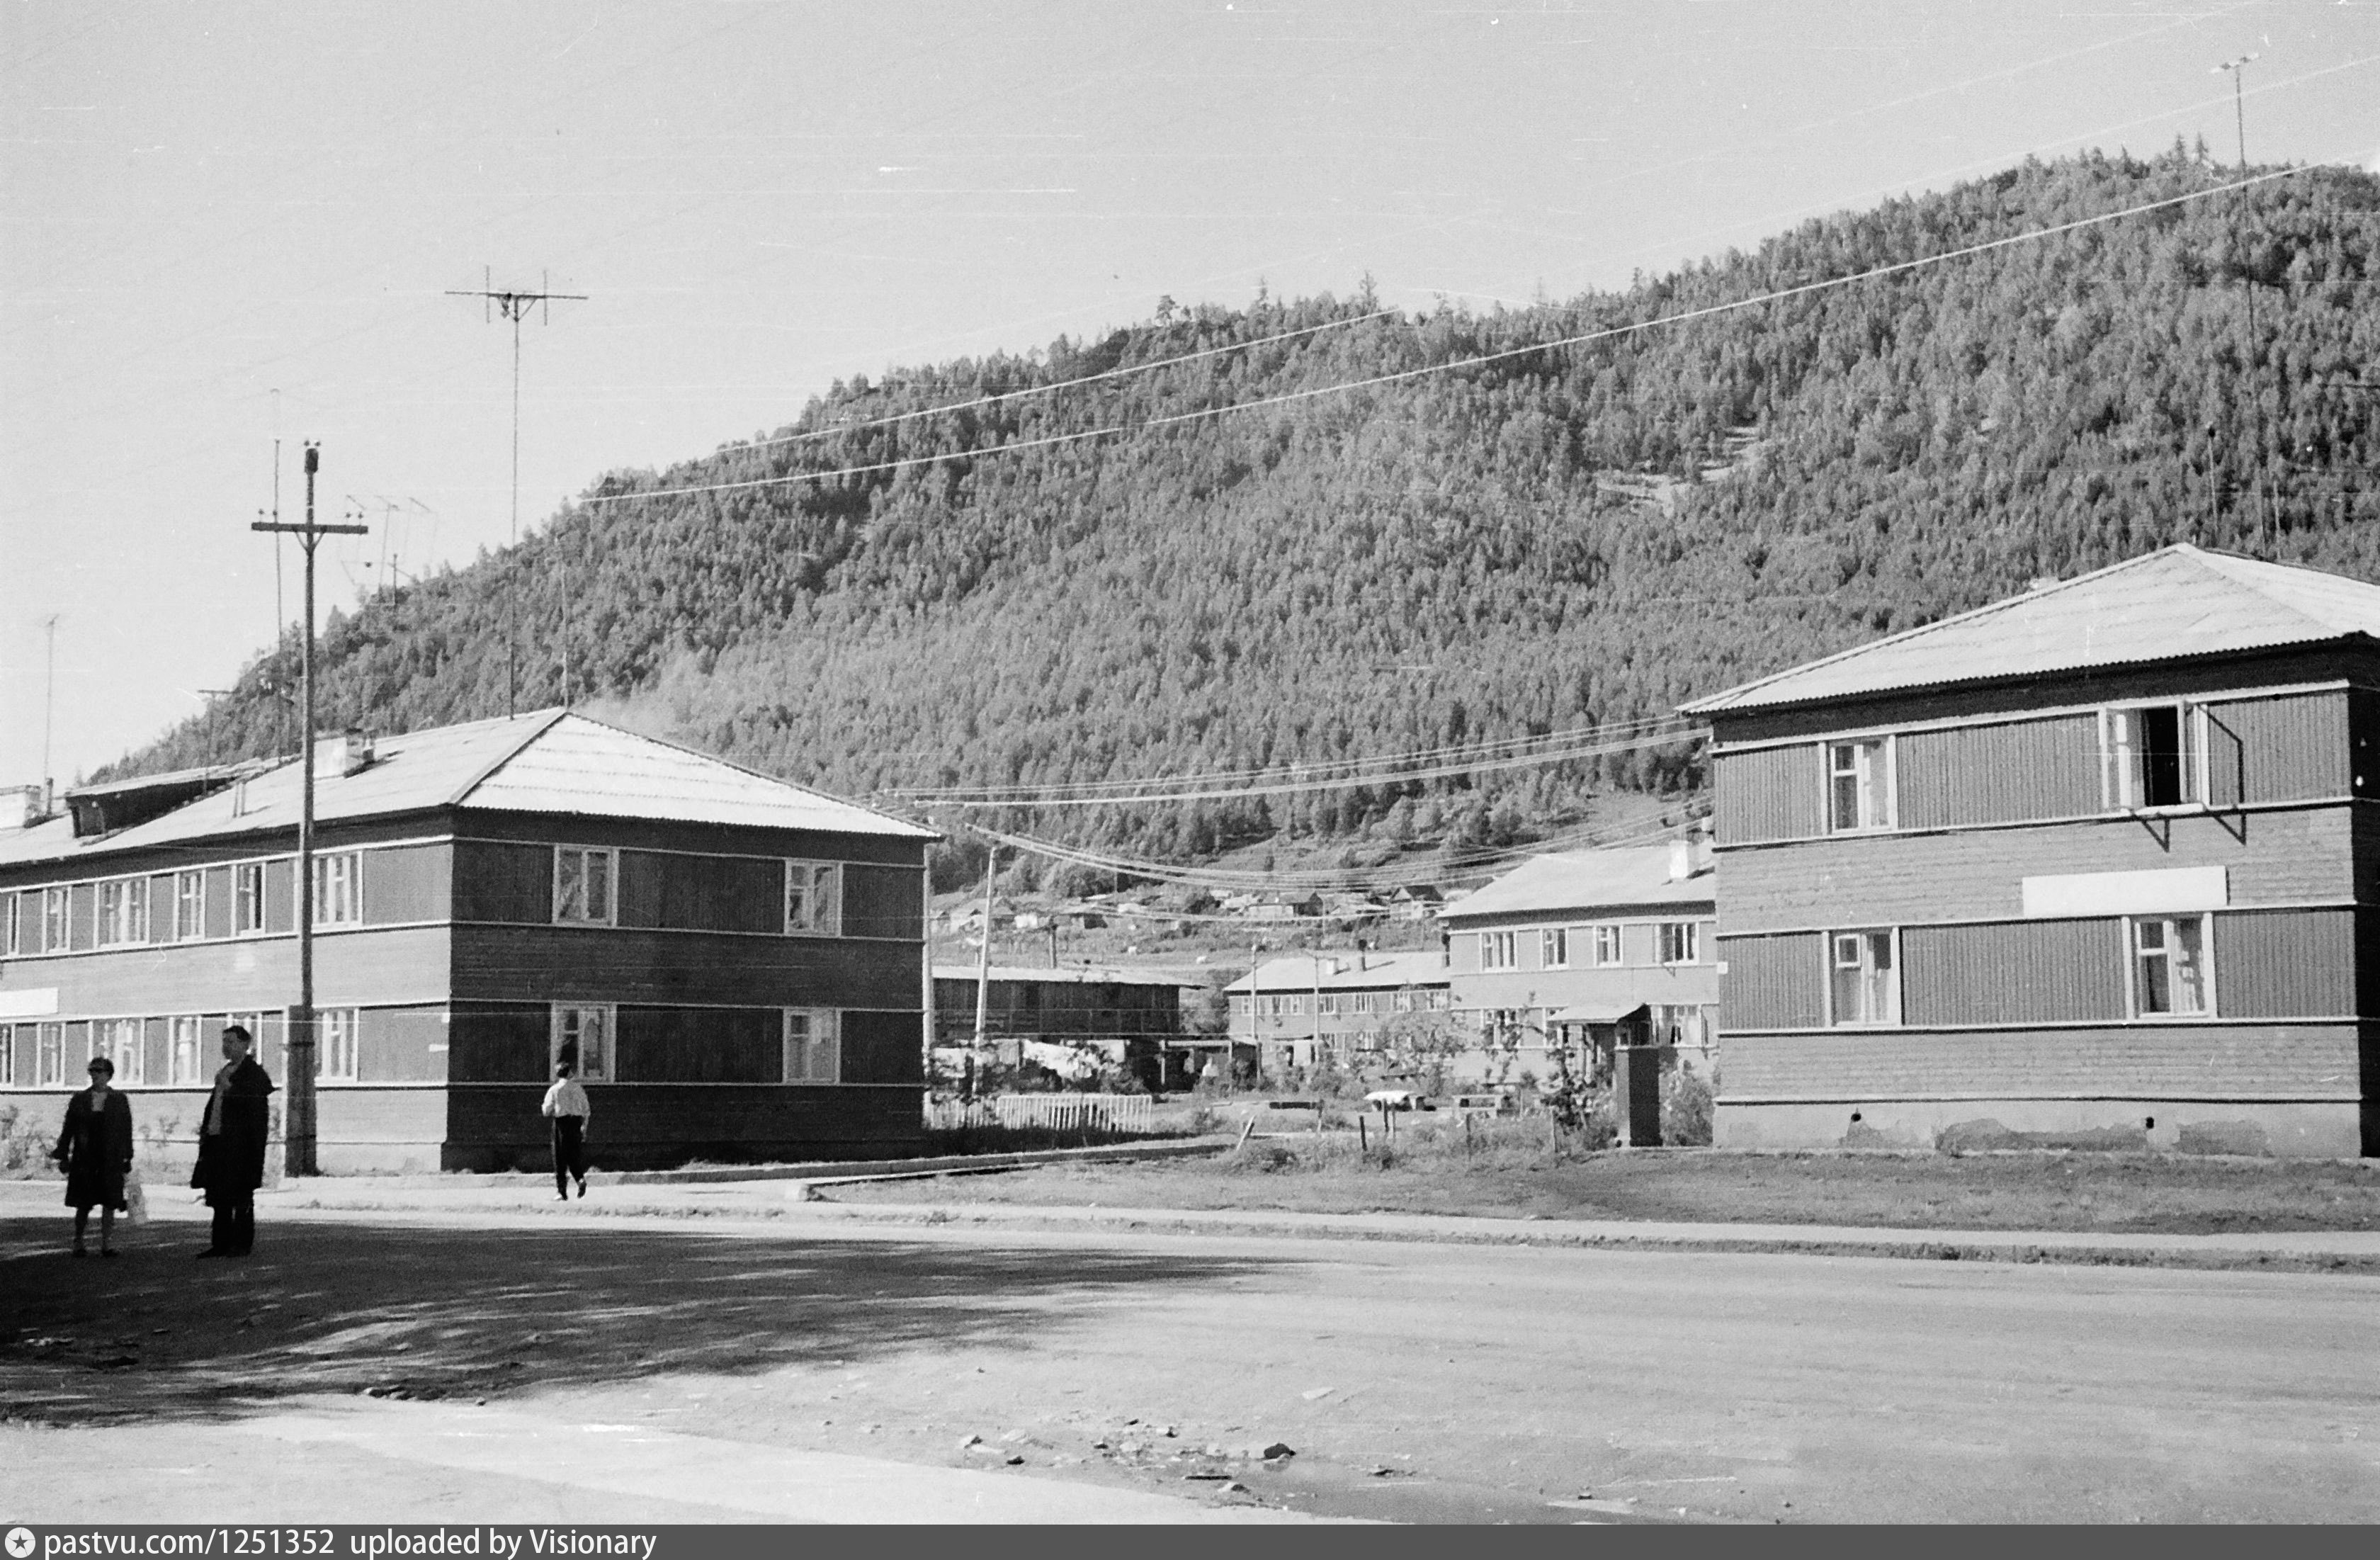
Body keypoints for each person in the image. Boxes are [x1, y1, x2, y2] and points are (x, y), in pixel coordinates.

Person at [191, 1023, 274, 1259]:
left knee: (241, 1196)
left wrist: (230, 1088)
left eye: (232, 1042)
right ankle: (220, 1243)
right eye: (224, 1042)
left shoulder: (254, 1074)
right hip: (218, 1143)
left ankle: (241, 1244)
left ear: (246, 1045)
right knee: (219, 1196)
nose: (226, 1046)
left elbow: (254, 1108)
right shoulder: (226, 1071)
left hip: (241, 1147)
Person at [52, 1055, 135, 1257]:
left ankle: (106, 1243)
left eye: (99, 1071)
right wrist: (63, 1154)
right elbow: (68, 1128)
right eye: (92, 1071)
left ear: (109, 1075)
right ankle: (78, 1241)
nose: (95, 1075)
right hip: (85, 1158)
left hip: (110, 1158)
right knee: (83, 1202)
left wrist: (127, 1156)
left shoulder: (119, 1100)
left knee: (110, 1202)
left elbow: (126, 1129)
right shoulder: (79, 1099)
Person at [541, 1059, 591, 1201]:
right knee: (574, 1154)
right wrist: (584, 1127)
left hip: (561, 1124)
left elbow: (546, 1110)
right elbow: (586, 1110)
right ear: (569, 1073)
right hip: (576, 1122)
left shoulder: (555, 1089)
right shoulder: (578, 1088)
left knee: (560, 1157)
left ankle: (562, 1191)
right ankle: (580, 1179)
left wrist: (550, 1109)